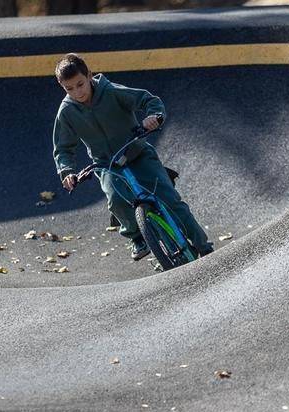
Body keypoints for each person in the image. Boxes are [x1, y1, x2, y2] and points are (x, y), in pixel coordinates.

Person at [52, 53, 213, 260]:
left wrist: (153, 117)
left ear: (89, 75)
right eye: (69, 88)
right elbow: (63, 148)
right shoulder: (66, 112)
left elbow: (148, 100)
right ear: (62, 86)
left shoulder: (111, 91)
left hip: (137, 153)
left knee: (170, 200)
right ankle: (137, 237)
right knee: (115, 198)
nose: (77, 92)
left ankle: (203, 246)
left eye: (80, 84)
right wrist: (67, 171)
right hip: (107, 165)